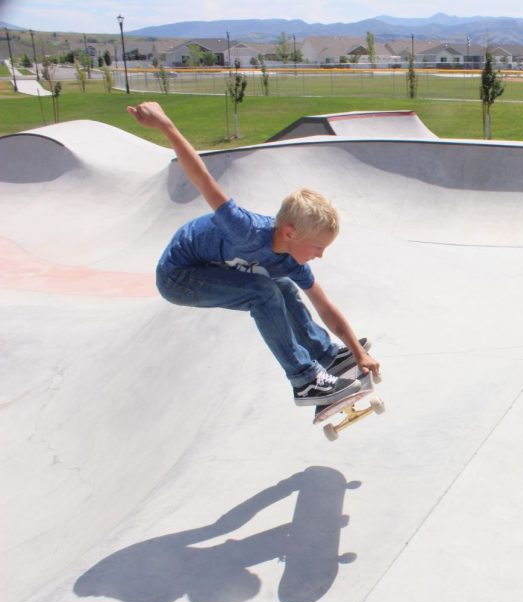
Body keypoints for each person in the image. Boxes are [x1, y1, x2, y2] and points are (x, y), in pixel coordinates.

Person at [128, 101, 380, 406]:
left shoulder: (290, 258)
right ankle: (305, 381)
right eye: (317, 247)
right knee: (262, 292)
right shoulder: (244, 229)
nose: (320, 256)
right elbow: (202, 179)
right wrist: (166, 126)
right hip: (177, 275)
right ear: (290, 233)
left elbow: (325, 307)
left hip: (210, 268)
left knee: (283, 287)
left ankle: (327, 356)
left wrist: (358, 352)